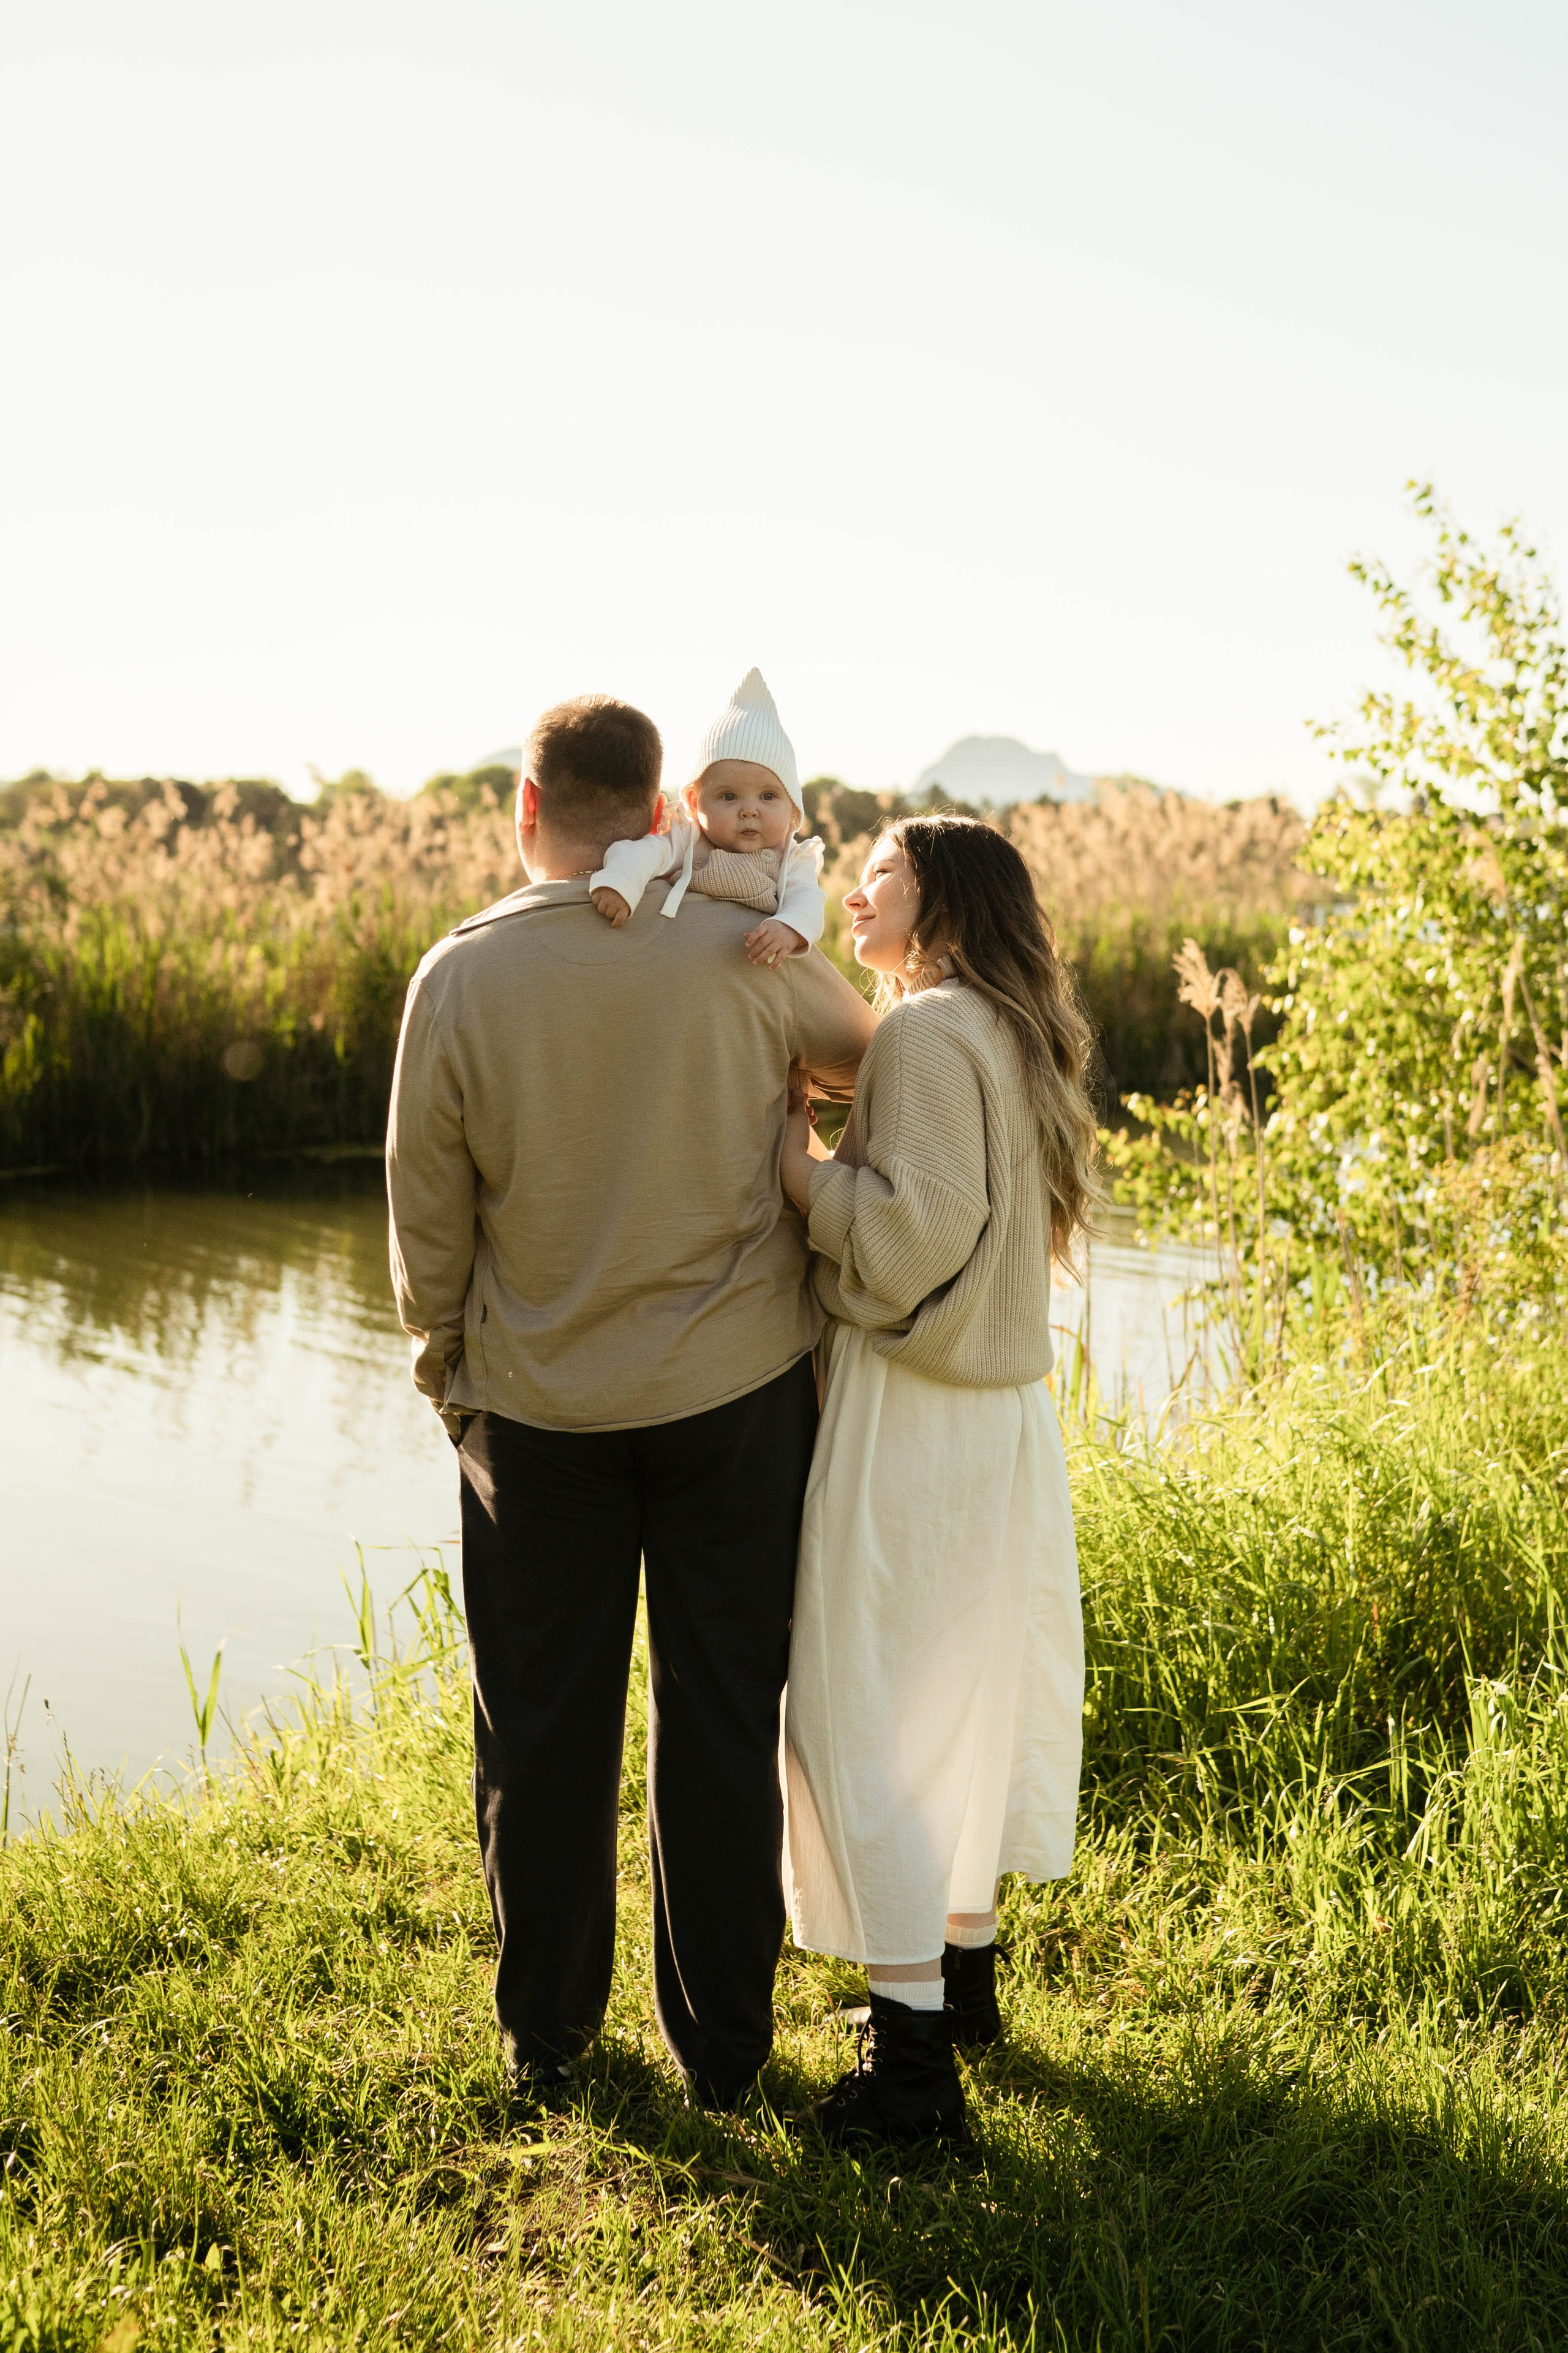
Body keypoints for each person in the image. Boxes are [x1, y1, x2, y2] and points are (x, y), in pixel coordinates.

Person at [386, 692, 875, 2110]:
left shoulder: (459, 974)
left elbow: (428, 1222)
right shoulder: (746, 948)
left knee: (541, 1726)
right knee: (719, 1715)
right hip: (735, 1399)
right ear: (663, 809)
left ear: (525, 811)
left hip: (534, 1414)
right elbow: (869, 1059)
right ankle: (721, 2050)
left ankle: (548, 2039)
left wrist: (450, 1382)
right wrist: (789, 1096)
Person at [778, 814, 1101, 2145]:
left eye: (881, 876)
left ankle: (909, 2077)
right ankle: (957, 1974)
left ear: (944, 902)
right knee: (962, 1698)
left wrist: (799, 1179)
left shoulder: (919, 1031)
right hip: (1002, 1427)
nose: (855, 891)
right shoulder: (1007, 1030)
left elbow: (910, 1237)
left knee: (870, 1712)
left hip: (910, 1420)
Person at [588, 669, 826, 969]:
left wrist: (789, 928)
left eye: (768, 796)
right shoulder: (688, 839)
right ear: (693, 801)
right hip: (679, 960)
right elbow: (644, 851)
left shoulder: (792, 860)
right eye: (729, 796)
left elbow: (809, 901)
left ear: (793, 806)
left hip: (748, 967)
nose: (749, 811)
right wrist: (622, 881)